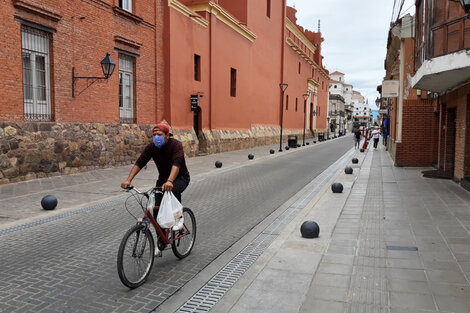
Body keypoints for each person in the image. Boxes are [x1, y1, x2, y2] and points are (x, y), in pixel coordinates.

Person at [121, 123, 190, 225]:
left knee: (173, 191)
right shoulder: (152, 147)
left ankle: (178, 219)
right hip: (162, 180)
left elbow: (177, 163)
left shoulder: (176, 145)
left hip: (181, 178)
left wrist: (170, 181)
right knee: (156, 209)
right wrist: (128, 180)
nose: (156, 137)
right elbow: (140, 162)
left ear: (167, 135)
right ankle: (161, 239)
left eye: (160, 134)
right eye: (154, 135)